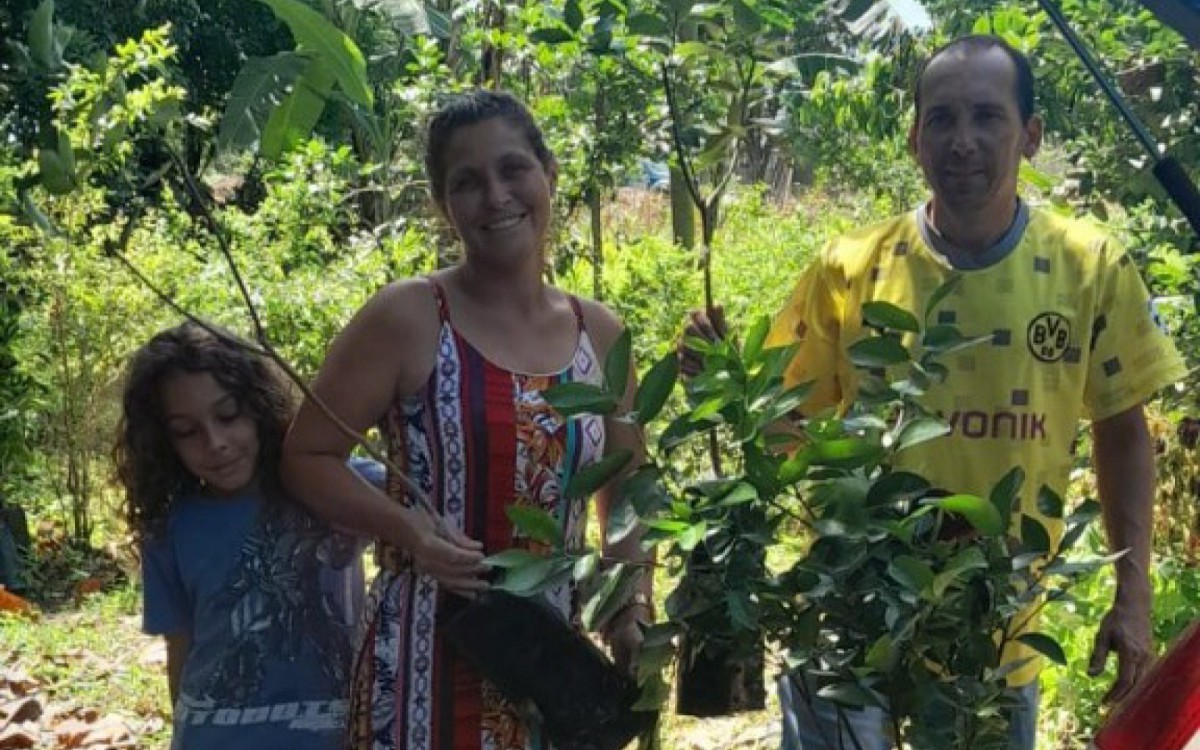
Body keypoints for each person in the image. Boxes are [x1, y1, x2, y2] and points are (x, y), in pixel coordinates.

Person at [684, 34, 1186, 750]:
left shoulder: (1088, 266)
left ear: (1031, 136)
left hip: (996, 638)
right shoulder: (851, 265)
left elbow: (1122, 429)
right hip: (849, 628)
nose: (963, 141)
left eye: (988, 117)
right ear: (915, 136)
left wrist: (1132, 596)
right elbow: (786, 431)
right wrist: (732, 390)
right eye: (942, 119)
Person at [281, 89, 652, 750]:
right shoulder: (409, 317)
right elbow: (305, 456)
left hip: (552, 671)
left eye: (513, 169)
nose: (496, 196)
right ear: (442, 204)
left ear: (548, 173)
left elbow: (625, 496)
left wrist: (632, 610)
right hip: (425, 663)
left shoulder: (599, 333)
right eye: (467, 182)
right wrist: (405, 530)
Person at [116, 322, 373, 750]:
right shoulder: (169, 527)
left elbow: (430, 511)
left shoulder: (334, 488)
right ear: (163, 441)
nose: (214, 443)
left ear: (258, 407)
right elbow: (180, 655)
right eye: (186, 431)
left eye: (228, 415)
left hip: (335, 734)